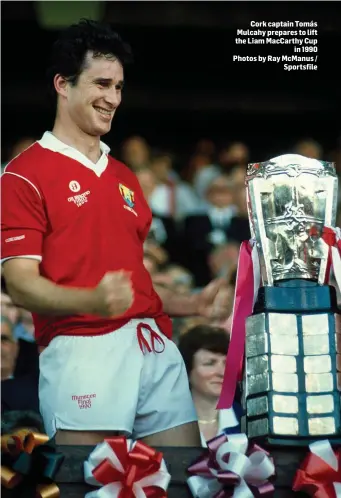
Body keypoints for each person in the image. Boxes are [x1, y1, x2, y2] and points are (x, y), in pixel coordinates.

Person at [1, 19, 229, 447]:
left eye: (119, 87)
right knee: (89, 484)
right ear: (62, 84)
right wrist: (91, 300)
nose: (113, 98)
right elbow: (20, 283)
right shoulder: (23, 174)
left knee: (181, 480)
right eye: (101, 84)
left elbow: (131, 280)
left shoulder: (123, 174)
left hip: (153, 343)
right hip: (83, 348)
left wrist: (189, 302)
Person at [178, 325, 242, 446]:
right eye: (210, 363)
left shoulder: (247, 422)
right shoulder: (165, 424)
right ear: (187, 369)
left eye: (227, 363)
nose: (222, 372)